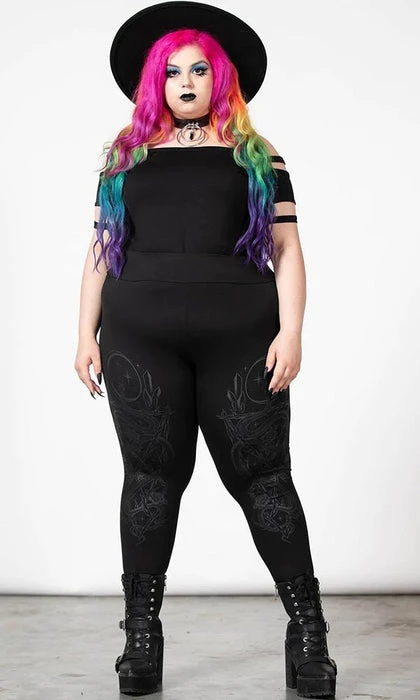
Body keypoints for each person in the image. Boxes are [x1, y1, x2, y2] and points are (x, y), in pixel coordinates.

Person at [74, 1, 337, 697]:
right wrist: (83, 333)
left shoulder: (258, 154)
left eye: (198, 70)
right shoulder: (123, 155)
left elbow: (287, 248)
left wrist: (291, 331)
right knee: (149, 482)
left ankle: (308, 633)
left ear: (219, 78)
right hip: (139, 336)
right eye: (171, 72)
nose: (185, 82)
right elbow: (101, 249)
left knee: (265, 479)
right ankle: (141, 637)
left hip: (241, 336)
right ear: (153, 82)